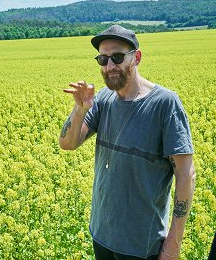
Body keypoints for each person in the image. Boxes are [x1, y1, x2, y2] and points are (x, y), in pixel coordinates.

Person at [59, 25, 195, 259]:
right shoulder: (103, 98)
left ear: (137, 57)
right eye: (103, 59)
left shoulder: (164, 104)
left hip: (141, 244)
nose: (109, 66)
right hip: (102, 234)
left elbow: (185, 174)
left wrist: (173, 245)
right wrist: (79, 108)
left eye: (117, 57)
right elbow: (68, 143)